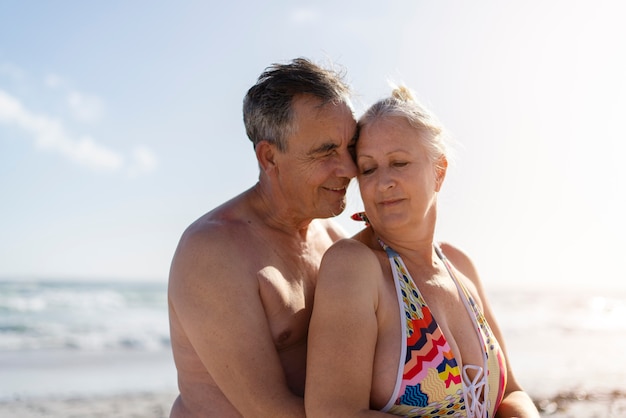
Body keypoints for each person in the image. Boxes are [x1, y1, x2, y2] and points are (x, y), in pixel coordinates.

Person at [305, 85, 540, 417]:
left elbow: (512, 393)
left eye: (399, 163)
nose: (383, 181)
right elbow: (334, 412)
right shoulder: (354, 267)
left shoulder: (459, 265)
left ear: (439, 172)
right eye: (369, 169)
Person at [168, 57, 358, 417]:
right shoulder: (213, 252)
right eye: (326, 151)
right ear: (269, 156)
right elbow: (271, 411)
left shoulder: (336, 240)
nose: (349, 169)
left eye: (350, 148)